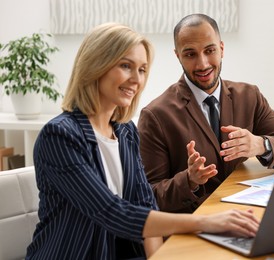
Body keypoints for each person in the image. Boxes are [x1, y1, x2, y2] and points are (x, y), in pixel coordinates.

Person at [25, 22, 259, 260]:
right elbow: (111, 212)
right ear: (95, 65)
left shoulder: (126, 132)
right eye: (126, 66)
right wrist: (206, 222)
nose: (136, 79)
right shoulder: (60, 135)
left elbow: (146, 210)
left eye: (142, 69)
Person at [138, 14, 274, 213]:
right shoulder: (156, 115)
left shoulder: (249, 96)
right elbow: (148, 196)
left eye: (209, 51)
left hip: (246, 217)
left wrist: (260, 145)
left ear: (221, 49)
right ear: (178, 57)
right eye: (190, 54)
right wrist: (189, 180)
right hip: (194, 228)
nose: (202, 64)